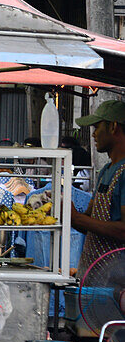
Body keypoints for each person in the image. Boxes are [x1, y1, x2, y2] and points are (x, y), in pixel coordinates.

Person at [73, 101, 125, 274]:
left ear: (113, 127)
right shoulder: (106, 171)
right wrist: (69, 214)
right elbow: (90, 220)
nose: (94, 134)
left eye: (97, 127)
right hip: (94, 275)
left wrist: (78, 219)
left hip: (117, 282)